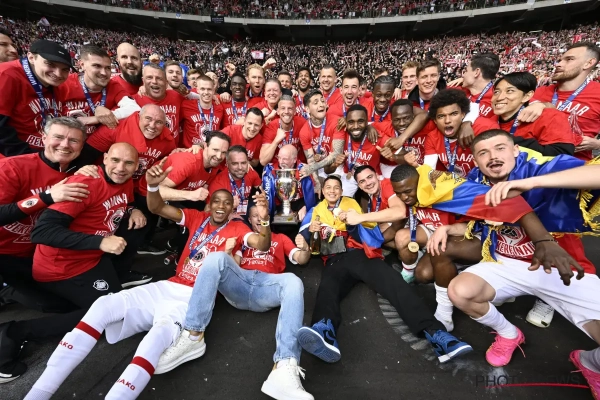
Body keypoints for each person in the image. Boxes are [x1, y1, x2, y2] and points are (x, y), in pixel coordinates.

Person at [24, 161, 273, 400]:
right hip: (168, 285)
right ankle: (39, 393)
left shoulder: (238, 228)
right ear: (209, 205)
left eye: (227, 203)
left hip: (194, 299)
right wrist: (153, 186)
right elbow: (156, 208)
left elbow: (261, 244)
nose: (221, 206)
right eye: (217, 201)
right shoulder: (196, 217)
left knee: (156, 339)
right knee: (103, 305)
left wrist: (264, 219)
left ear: (232, 209)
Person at [446, 131, 600, 382]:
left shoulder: (538, 168)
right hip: (507, 263)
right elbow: (480, 225)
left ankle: (590, 362)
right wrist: (448, 229)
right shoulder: (476, 180)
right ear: (475, 160)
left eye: (500, 148)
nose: (492, 157)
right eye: (483, 153)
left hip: (560, 267)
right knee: (460, 291)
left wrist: (531, 183)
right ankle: (509, 334)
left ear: (516, 150)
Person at [1, 143, 146, 383]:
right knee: (111, 317)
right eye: (115, 160)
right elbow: (42, 232)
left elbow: (122, 203)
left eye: (128, 163)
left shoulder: (124, 181)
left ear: (136, 166)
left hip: (91, 260)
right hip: (62, 267)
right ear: (105, 158)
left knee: (113, 307)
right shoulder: (84, 184)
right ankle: (15, 332)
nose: (121, 168)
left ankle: (24, 295)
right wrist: (100, 242)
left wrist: (132, 210)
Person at [154, 188, 314, 400]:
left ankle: (285, 366)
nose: (258, 219)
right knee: (216, 257)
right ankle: (192, 335)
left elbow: (299, 258)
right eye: (255, 216)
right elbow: (231, 266)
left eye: (261, 216)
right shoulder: (242, 234)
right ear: (249, 219)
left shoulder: (280, 238)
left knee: (294, 281)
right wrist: (228, 253)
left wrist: (306, 248)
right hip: (240, 284)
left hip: (266, 286)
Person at [297, 175, 472, 364]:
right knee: (327, 288)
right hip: (333, 258)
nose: (332, 191)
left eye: (336, 187)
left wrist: (350, 222)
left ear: (341, 191)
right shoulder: (314, 211)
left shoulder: (351, 205)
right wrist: (310, 232)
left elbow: (364, 232)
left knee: (393, 282)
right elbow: (310, 247)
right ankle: (324, 330)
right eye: (328, 187)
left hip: (358, 253)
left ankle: (436, 333)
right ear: (322, 191)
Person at [0, 118, 89, 329]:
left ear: (81, 146)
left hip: (40, 253)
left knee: (68, 304)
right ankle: (4, 290)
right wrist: (46, 197)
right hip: (5, 253)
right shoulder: (13, 167)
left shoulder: (80, 173)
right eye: (58, 137)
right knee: (51, 304)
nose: (65, 145)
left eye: (73, 140)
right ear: (44, 138)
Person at [521, 42, 600, 160]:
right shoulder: (536, 93)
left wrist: (597, 144)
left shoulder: (597, 93)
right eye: (560, 60)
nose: (558, 64)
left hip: (575, 165)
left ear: (588, 63)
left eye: (569, 59)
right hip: (532, 163)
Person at [0, 39, 71, 156]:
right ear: (31, 57)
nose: (58, 74)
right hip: (16, 157)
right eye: (50, 64)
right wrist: (29, 157)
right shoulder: (6, 75)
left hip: (45, 152)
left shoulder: (55, 84)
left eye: (65, 69)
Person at [492, 72, 577, 156]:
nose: (499, 98)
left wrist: (507, 141)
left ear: (527, 96)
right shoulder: (488, 121)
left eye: (509, 91)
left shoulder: (549, 117)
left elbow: (563, 156)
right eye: (496, 92)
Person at [62, 45, 140, 135]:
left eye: (107, 68)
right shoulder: (64, 84)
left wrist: (97, 118)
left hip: (96, 141)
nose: (104, 73)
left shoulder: (113, 86)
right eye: (97, 66)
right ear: (82, 65)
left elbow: (134, 108)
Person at [420, 89, 499, 177]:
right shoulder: (433, 137)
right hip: (454, 183)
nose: (447, 120)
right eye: (441, 116)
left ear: (463, 114)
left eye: (454, 114)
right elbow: (429, 172)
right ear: (435, 120)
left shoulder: (484, 128)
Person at [207, 146, 262, 217]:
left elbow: (262, 190)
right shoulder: (218, 184)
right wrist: (229, 206)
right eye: (235, 163)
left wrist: (263, 198)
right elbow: (207, 212)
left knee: (260, 210)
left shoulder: (250, 172)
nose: (240, 167)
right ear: (227, 164)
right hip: (226, 216)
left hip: (245, 212)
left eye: (243, 163)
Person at [260, 95, 307, 166]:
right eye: (283, 108)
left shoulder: (302, 123)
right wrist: (276, 141)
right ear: (278, 111)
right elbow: (263, 161)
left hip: (297, 166)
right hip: (277, 167)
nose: (286, 111)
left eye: (290, 108)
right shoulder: (271, 127)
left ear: (295, 111)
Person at [181, 74, 225, 147]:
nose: (206, 92)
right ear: (197, 90)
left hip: (211, 150)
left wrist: (226, 93)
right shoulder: (186, 105)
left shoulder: (219, 107)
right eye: (202, 89)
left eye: (209, 89)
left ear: (213, 90)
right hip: (192, 151)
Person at [461, 53, 500, 119]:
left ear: (476, 72)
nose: (463, 75)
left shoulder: (498, 98)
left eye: (466, 71)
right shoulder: (457, 89)